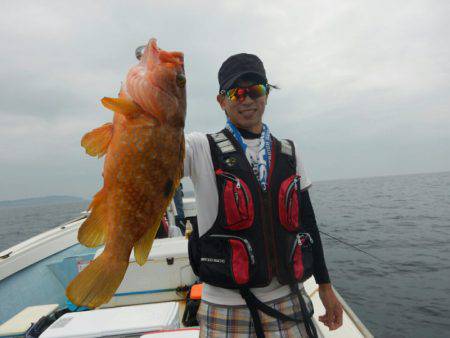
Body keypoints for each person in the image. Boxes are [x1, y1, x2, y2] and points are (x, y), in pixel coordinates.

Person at [184, 53, 343, 337]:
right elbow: (153, 150)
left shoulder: (289, 152)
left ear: (267, 94)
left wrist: (326, 287)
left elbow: (308, 224)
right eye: (237, 92)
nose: (246, 100)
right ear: (222, 100)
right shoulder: (199, 148)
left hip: (289, 298)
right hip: (225, 306)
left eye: (255, 90)